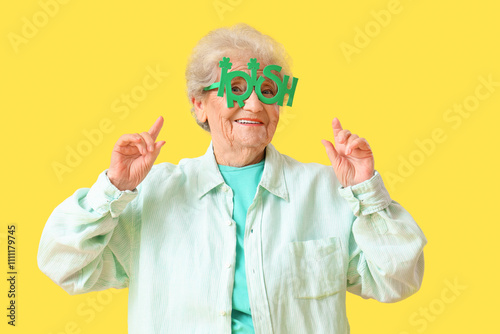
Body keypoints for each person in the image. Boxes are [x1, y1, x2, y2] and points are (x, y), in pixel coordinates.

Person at [38, 23, 427, 333]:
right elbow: (62, 264)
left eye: (269, 90)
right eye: (236, 88)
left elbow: (399, 280)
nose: (255, 104)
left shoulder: (329, 191)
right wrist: (113, 189)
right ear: (199, 104)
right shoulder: (152, 194)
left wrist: (367, 193)